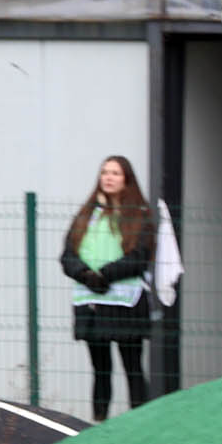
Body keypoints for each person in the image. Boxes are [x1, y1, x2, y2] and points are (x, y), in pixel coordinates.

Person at [60, 155, 154, 422]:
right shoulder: (86, 216)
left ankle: (142, 423)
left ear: (127, 179)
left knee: (132, 366)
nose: (109, 177)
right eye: (105, 172)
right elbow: (68, 255)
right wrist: (87, 276)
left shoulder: (139, 215)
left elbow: (139, 256)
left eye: (115, 173)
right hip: (91, 302)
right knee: (100, 368)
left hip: (126, 303)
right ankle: (98, 424)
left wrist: (107, 275)